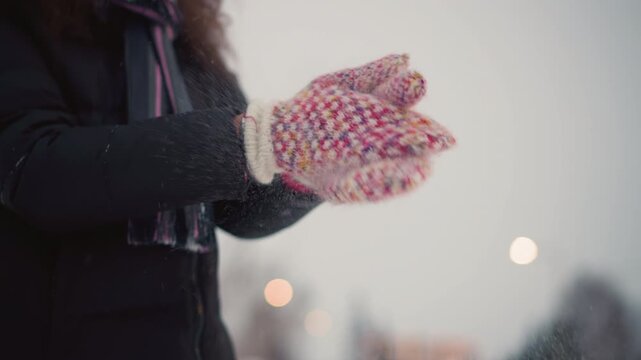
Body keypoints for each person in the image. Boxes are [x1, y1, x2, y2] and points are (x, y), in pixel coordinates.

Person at [0, 1, 454, 359]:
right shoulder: (20, 19)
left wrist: (299, 172)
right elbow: (34, 169)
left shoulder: (185, 43)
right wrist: (261, 139)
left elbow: (237, 206)